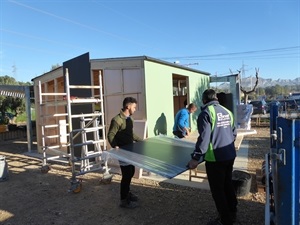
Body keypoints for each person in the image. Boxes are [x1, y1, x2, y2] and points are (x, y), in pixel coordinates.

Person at [187, 89, 238, 225]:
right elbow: (233, 134)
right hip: (229, 155)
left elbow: (204, 139)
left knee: (218, 190)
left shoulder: (206, 113)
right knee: (228, 184)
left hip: (215, 158)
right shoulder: (227, 112)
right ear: (215, 98)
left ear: (204, 100)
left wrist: (195, 158)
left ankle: (225, 220)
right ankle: (232, 212)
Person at [107, 97, 143, 209]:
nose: (135, 109)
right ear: (128, 106)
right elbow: (110, 135)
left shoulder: (129, 120)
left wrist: (141, 140)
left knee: (131, 171)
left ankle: (128, 193)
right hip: (122, 152)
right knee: (126, 175)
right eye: (134, 107)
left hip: (130, 150)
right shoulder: (117, 120)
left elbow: (131, 135)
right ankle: (123, 200)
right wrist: (115, 146)